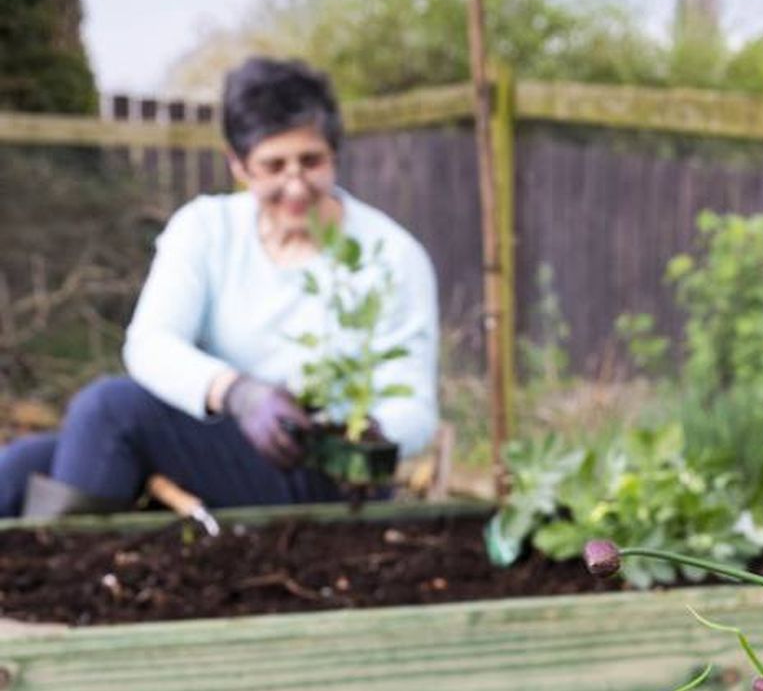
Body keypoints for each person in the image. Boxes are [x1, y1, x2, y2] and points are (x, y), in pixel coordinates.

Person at [0, 57, 439, 518]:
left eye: (311, 161)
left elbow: (414, 407)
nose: (295, 186)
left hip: (323, 474)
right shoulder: (208, 229)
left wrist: (366, 434)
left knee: (108, 410)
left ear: (334, 153)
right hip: (221, 444)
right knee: (18, 468)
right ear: (238, 164)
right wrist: (238, 394)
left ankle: (74, 580)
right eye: (273, 166)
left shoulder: (388, 255)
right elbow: (151, 344)